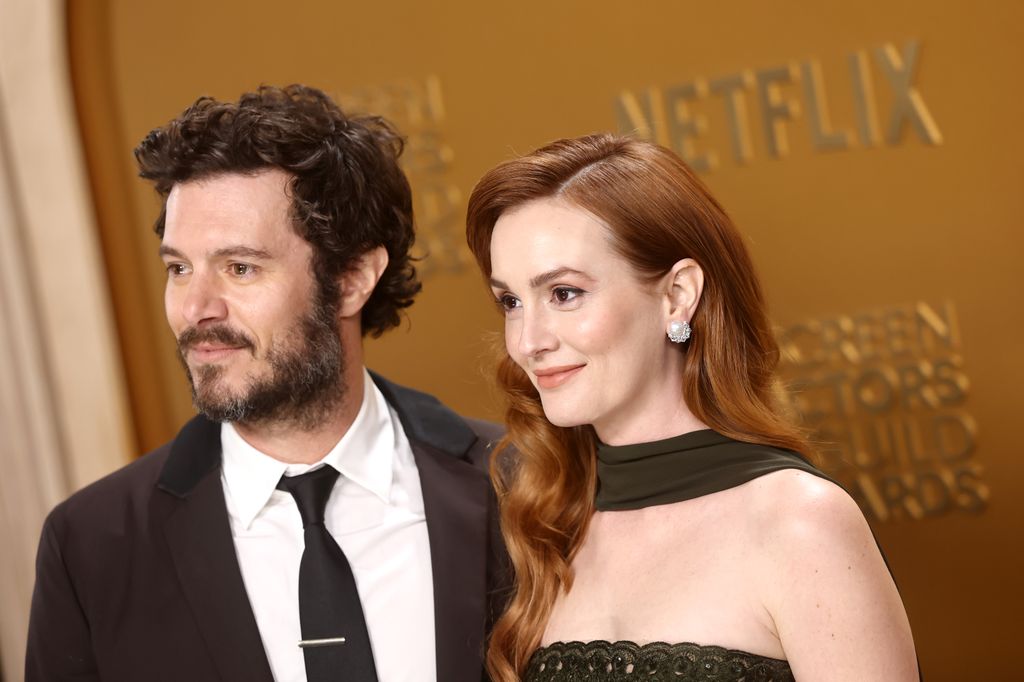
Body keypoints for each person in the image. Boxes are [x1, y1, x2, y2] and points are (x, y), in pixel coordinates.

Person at [26, 84, 506, 682]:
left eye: (240, 268)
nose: (195, 308)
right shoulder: (91, 547)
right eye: (178, 268)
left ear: (353, 277)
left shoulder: (523, 485)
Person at [465, 133, 919, 682]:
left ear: (678, 294)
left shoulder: (799, 521)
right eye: (511, 302)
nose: (528, 341)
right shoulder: (545, 525)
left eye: (564, 293)